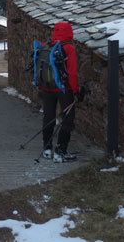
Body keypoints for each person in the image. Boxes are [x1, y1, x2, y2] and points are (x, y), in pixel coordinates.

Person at [38, 21, 79, 163]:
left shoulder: (46, 46)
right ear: (69, 32)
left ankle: (47, 148)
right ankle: (61, 151)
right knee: (67, 119)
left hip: (46, 88)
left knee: (48, 116)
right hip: (63, 89)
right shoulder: (68, 48)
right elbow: (72, 73)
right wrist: (76, 90)